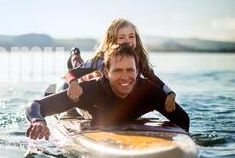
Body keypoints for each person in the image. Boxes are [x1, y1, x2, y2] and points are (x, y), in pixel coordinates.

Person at [25, 43, 189, 140]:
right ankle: (75, 58)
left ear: (137, 70)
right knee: (67, 86)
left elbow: (183, 120)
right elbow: (35, 105)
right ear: (105, 72)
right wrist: (38, 121)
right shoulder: (90, 90)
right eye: (118, 71)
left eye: (130, 70)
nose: (125, 77)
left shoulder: (148, 91)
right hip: (78, 105)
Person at [65, 18, 176, 112]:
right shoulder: (100, 60)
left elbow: (154, 79)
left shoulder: (139, 60)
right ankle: (74, 56)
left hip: (115, 100)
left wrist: (170, 93)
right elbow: (70, 74)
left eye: (131, 36)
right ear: (112, 40)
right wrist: (73, 82)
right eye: (121, 37)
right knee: (75, 67)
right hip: (87, 83)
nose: (127, 41)